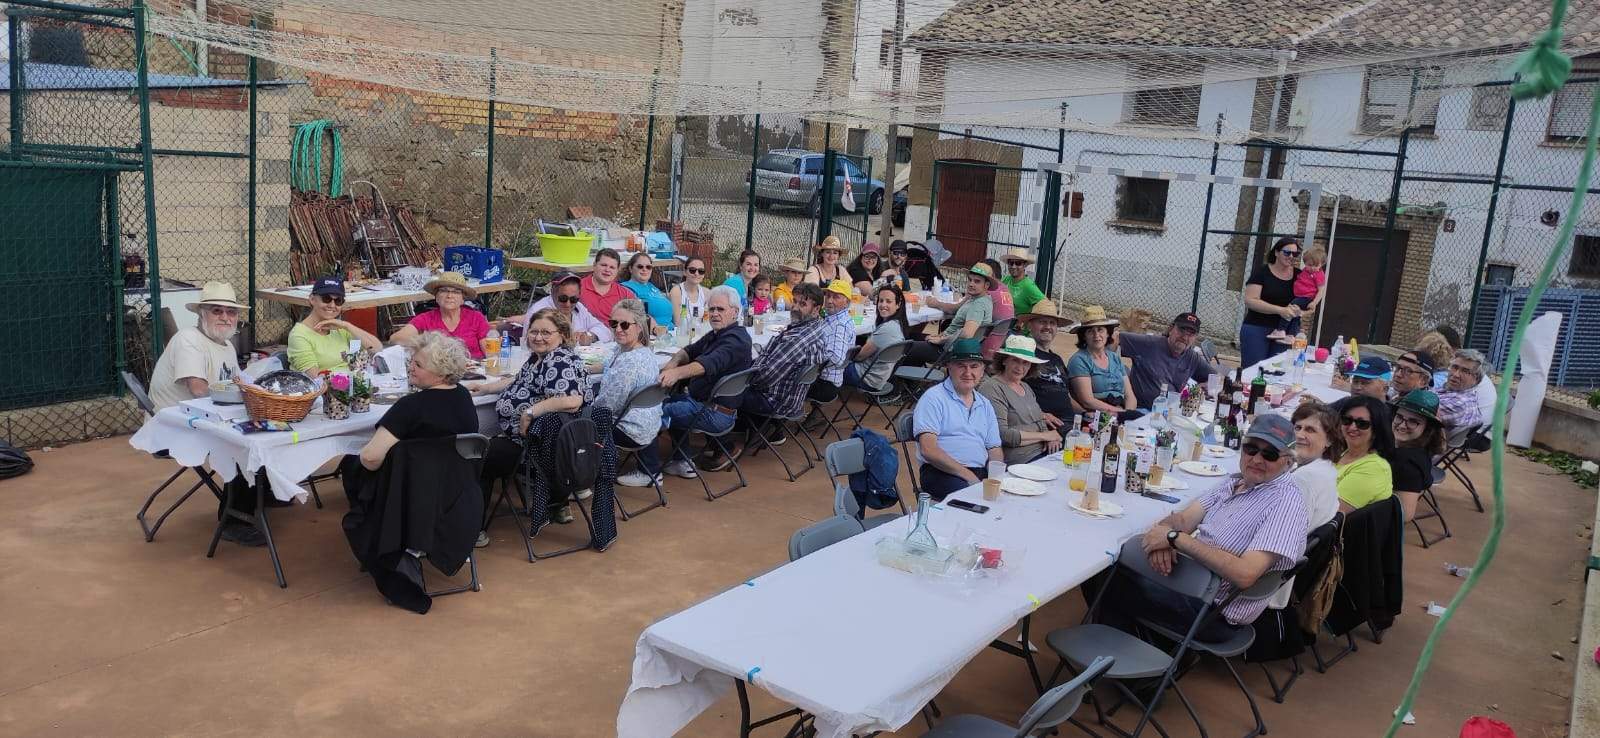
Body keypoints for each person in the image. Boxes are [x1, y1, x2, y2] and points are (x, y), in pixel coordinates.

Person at [1116, 414, 1307, 639]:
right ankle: (1140, 648)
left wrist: (1174, 538)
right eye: (1251, 449)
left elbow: (1245, 575)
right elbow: (1185, 520)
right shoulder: (1236, 482)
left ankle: (1144, 661)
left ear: (1288, 462)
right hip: (1187, 580)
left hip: (1212, 611)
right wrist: (1164, 536)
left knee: (1110, 577)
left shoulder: (1286, 503)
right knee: (1119, 561)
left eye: (1270, 454)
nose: (1256, 459)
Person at [473, 308, 593, 525]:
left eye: (546, 333)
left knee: (479, 454)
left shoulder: (557, 361)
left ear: (562, 335)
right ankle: (558, 503)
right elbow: (519, 381)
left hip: (536, 447)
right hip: (547, 442)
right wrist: (484, 388)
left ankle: (473, 529)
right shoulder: (540, 358)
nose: (538, 337)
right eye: (534, 331)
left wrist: (529, 413)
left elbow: (571, 400)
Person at [351, 331, 479, 529]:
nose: (410, 368)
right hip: (456, 487)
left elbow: (371, 458)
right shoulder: (463, 395)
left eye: (418, 365)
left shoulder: (411, 405)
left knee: (351, 465)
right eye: (412, 361)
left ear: (441, 372)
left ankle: (380, 531)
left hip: (411, 489)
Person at [714, 283, 830, 464]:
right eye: (796, 302)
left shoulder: (798, 340)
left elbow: (765, 378)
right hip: (792, 396)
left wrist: (742, 379)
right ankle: (767, 430)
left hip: (776, 400)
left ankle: (723, 447)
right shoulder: (817, 328)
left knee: (721, 388)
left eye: (803, 304)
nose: (796, 308)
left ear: (816, 309)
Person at [657, 285, 752, 479]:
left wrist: (676, 374)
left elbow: (706, 364)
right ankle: (680, 459)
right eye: (712, 309)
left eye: (721, 309)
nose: (715, 314)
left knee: (653, 411)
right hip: (706, 405)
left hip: (712, 413)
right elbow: (691, 350)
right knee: (670, 399)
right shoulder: (720, 333)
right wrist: (673, 363)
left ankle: (647, 470)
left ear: (734, 312)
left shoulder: (735, 340)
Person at [911, 338, 1003, 500]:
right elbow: (929, 450)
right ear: (949, 367)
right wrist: (969, 477)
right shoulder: (933, 398)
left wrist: (995, 478)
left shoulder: (984, 404)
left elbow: (994, 449)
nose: (968, 373)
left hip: (979, 472)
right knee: (974, 499)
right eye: (961, 366)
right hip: (941, 472)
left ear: (982, 371)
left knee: (1004, 499)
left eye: (974, 366)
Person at [595, 299, 668, 489]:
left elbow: (606, 407)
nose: (618, 329)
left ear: (639, 327)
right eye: (613, 324)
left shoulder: (629, 364)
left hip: (631, 430)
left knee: (574, 420)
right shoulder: (641, 352)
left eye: (625, 324)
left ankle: (579, 481)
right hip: (650, 423)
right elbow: (609, 365)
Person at [148, 281, 245, 410]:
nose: (225, 318)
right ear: (201, 314)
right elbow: (198, 390)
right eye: (217, 311)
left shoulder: (228, 346)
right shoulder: (188, 339)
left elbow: (237, 383)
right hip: (175, 422)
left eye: (231, 312)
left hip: (203, 415)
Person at [978, 335, 1064, 464]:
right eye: (1015, 360)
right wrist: (1045, 436)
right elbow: (1002, 434)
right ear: (1004, 360)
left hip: (1045, 451)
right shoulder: (992, 388)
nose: (1020, 367)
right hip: (1021, 458)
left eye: (1025, 362)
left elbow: (1040, 421)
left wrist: (1052, 438)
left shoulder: (1025, 386)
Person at [902, 263, 996, 365]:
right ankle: (911, 377)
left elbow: (967, 334)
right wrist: (940, 335)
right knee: (911, 336)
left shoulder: (978, 305)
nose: (971, 284)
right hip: (954, 346)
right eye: (970, 280)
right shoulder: (981, 298)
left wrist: (941, 340)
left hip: (948, 350)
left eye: (977, 281)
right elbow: (954, 312)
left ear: (986, 285)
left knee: (903, 346)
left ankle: (902, 378)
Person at [1118, 311, 1212, 409]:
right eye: (1181, 331)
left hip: (1171, 413)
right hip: (1141, 411)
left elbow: (1219, 379)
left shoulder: (1192, 357)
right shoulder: (1148, 344)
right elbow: (1115, 338)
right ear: (1171, 329)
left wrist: (1202, 387)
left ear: (1195, 338)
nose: (1184, 337)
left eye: (1190, 334)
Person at [287, 276, 383, 373]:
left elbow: (377, 349)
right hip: (331, 386)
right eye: (326, 299)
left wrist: (347, 326)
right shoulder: (299, 335)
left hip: (352, 382)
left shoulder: (340, 328)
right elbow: (315, 379)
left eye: (338, 301)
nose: (332, 305)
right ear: (312, 299)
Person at [388, 272, 492, 358]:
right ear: (436, 297)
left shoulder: (476, 318)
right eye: (444, 291)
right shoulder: (425, 319)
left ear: (462, 299)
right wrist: (427, 341)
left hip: (475, 371)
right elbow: (395, 339)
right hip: (439, 374)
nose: (449, 296)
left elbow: (490, 353)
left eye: (456, 292)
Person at [1239, 237, 1302, 368]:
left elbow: (1312, 296)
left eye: (1295, 254)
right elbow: (1250, 300)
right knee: (1254, 370)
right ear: (1276, 252)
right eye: (1287, 252)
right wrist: (1281, 310)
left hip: (1286, 332)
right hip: (1257, 327)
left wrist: (1304, 310)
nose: (1291, 256)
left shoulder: (1299, 275)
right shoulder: (1262, 272)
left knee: (1277, 371)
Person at [1331, 394, 1395, 512]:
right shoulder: (1345, 451)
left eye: (1362, 424)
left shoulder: (1373, 469)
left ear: (1377, 429)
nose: (1352, 427)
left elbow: (1332, 513)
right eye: (1347, 420)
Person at [1067, 305, 1136, 413]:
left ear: (1108, 333)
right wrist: (1120, 413)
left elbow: (1129, 395)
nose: (1096, 335)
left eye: (1100, 330)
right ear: (1084, 336)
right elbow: (1087, 401)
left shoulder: (1114, 358)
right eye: (1090, 331)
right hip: (1096, 416)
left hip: (1121, 412)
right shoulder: (1079, 361)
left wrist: (1129, 414)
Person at [1390, 389, 1445, 522]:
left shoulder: (1408, 464)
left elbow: (1405, 514)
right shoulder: (1417, 448)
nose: (1402, 425)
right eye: (1399, 417)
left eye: (1413, 421)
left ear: (1427, 428)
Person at [845, 284, 910, 391]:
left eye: (888, 301)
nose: (883, 305)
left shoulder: (887, 329)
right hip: (878, 377)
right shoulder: (899, 324)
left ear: (898, 305)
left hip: (865, 378)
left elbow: (859, 357)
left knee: (830, 365)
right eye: (881, 300)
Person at [1291, 401, 1343, 530]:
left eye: (1310, 430)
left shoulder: (1304, 478)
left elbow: (1290, 533)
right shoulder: (1327, 467)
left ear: (1329, 440)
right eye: (1298, 427)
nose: (1299, 435)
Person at [1020, 299, 1076, 418]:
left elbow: (1066, 397)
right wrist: (1040, 415)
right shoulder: (1024, 356)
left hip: (1069, 422)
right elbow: (1013, 394)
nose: (1048, 327)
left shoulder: (1057, 359)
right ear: (1030, 325)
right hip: (1042, 423)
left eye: (1052, 323)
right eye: (1042, 322)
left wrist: (1088, 412)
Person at [522, 271, 611, 345]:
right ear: (553, 292)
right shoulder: (538, 311)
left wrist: (590, 336)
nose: (568, 304)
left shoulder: (579, 307)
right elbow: (530, 345)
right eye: (563, 299)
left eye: (573, 299)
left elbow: (605, 331)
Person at [810, 279, 856, 406]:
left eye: (836, 297)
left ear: (846, 302)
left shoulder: (839, 325)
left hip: (825, 384)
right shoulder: (842, 318)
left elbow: (836, 358)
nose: (829, 301)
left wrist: (810, 358)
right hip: (831, 380)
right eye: (828, 295)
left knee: (782, 378)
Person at [1271, 246, 1326, 340]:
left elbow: (1321, 290)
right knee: (1296, 315)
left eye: (1316, 266)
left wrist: (1314, 302)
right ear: (1305, 263)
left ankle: (1281, 330)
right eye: (1309, 265)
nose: (1312, 268)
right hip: (1300, 296)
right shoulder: (1305, 270)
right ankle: (1291, 335)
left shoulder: (1318, 274)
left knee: (1290, 309)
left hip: (1306, 298)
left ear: (1321, 264)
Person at [579, 248, 636, 323]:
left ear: (617, 270)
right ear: (594, 265)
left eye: (612, 267)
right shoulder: (578, 287)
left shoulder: (626, 294)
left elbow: (639, 318)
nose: (607, 270)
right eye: (603, 265)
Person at [622, 252, 674, 331]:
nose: (644, 269)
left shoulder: (651, 286)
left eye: (648, 267)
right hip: (655, 334)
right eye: (640, 266)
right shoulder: (627, 288)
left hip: (671, 331)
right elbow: (637, 317)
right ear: (630, 269)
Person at [1438, 349, 1487, 432]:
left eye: (1465, 371)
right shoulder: (1457, 391)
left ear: (1476, 379)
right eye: (1454, 367)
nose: (1456, 374)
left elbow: (1415, 411)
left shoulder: (1460, 403)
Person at [978, 257, 1016, 359]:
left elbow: (959, 310)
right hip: (999, 344)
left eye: (980, 275)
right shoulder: (1005, 288)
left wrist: (936, 303)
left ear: (991, 275)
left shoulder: (988, 293)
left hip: (982, 346)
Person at [1001, 247, 1045, 317]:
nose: (1014, 266)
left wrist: (1028, 319)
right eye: (1011, 263)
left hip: (1019, 327)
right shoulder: (1006, 279)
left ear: (1025, 265)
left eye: (1018, 263)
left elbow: (1045, 305)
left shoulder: (1028, 286)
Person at [668, 256, 711, 325]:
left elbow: (708, 321)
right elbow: (677, 323)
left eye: (701, 271)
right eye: (692, 270)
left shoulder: (707, 293)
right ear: (685, 272)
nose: (696, 274)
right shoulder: (676, 292)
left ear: (703, 275)